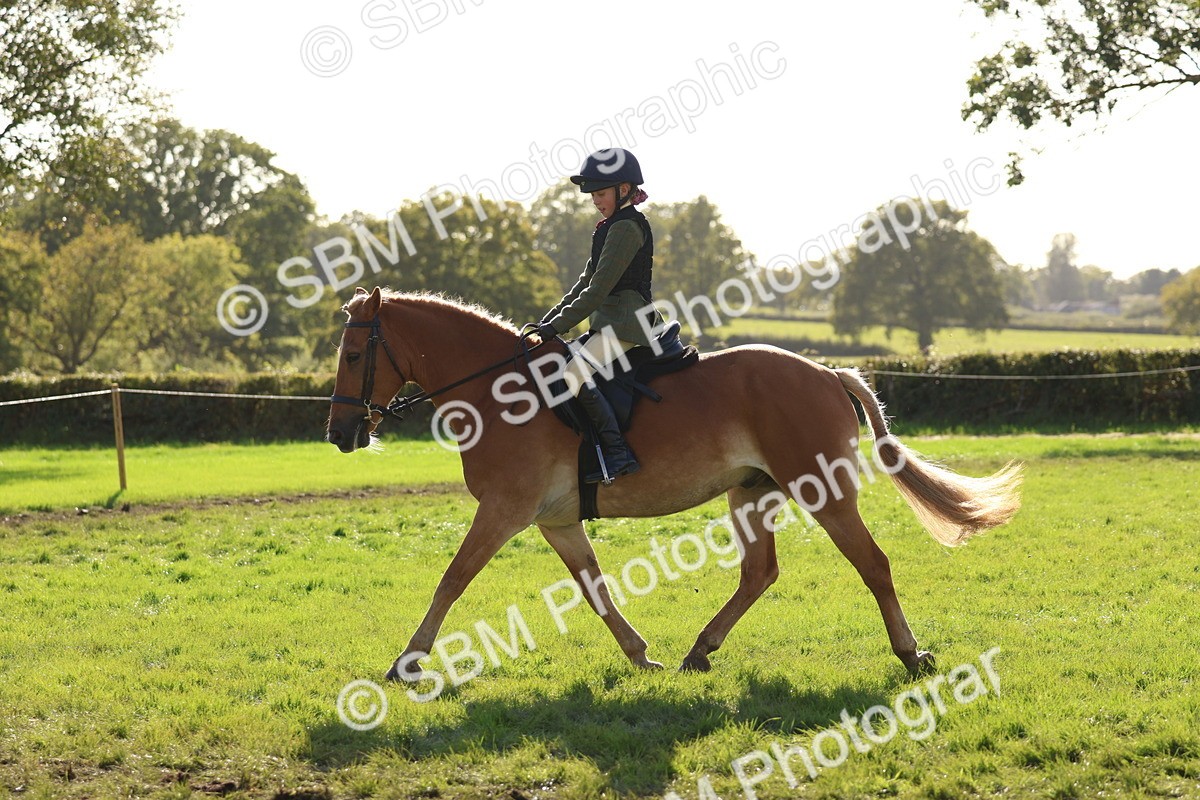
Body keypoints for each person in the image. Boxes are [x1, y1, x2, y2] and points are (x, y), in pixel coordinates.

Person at [536, 148, 663, 484]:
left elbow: (598, 291)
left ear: (624, 190)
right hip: (608, 324)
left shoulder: (627, 228)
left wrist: (556, 327)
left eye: (601, 193)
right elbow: (583, 283)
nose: (595, 200)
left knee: (574, 374)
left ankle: (617, 452)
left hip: (627, 323)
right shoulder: (609, 227)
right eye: (593, 194)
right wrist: (546, 322)